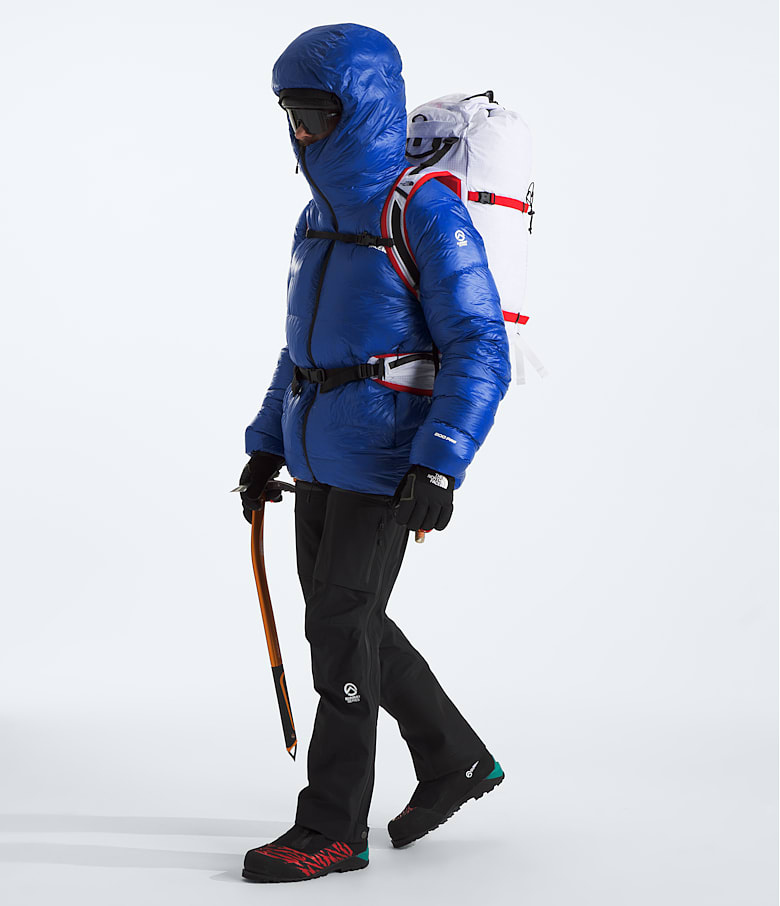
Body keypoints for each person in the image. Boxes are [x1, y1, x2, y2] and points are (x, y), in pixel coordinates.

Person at [239, 23, 511, 884]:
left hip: (388, 462)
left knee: (338, 630)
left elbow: (480, 345)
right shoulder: (317, 216)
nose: (301, 131)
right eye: (291, 113)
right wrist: (265, 443)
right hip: (316, 452)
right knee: (349, 623)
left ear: (361, 110)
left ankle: (332, 826)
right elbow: (301, 348)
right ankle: (457, 758)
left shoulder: (423, 208)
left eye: (317, 113)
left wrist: (441, 461)